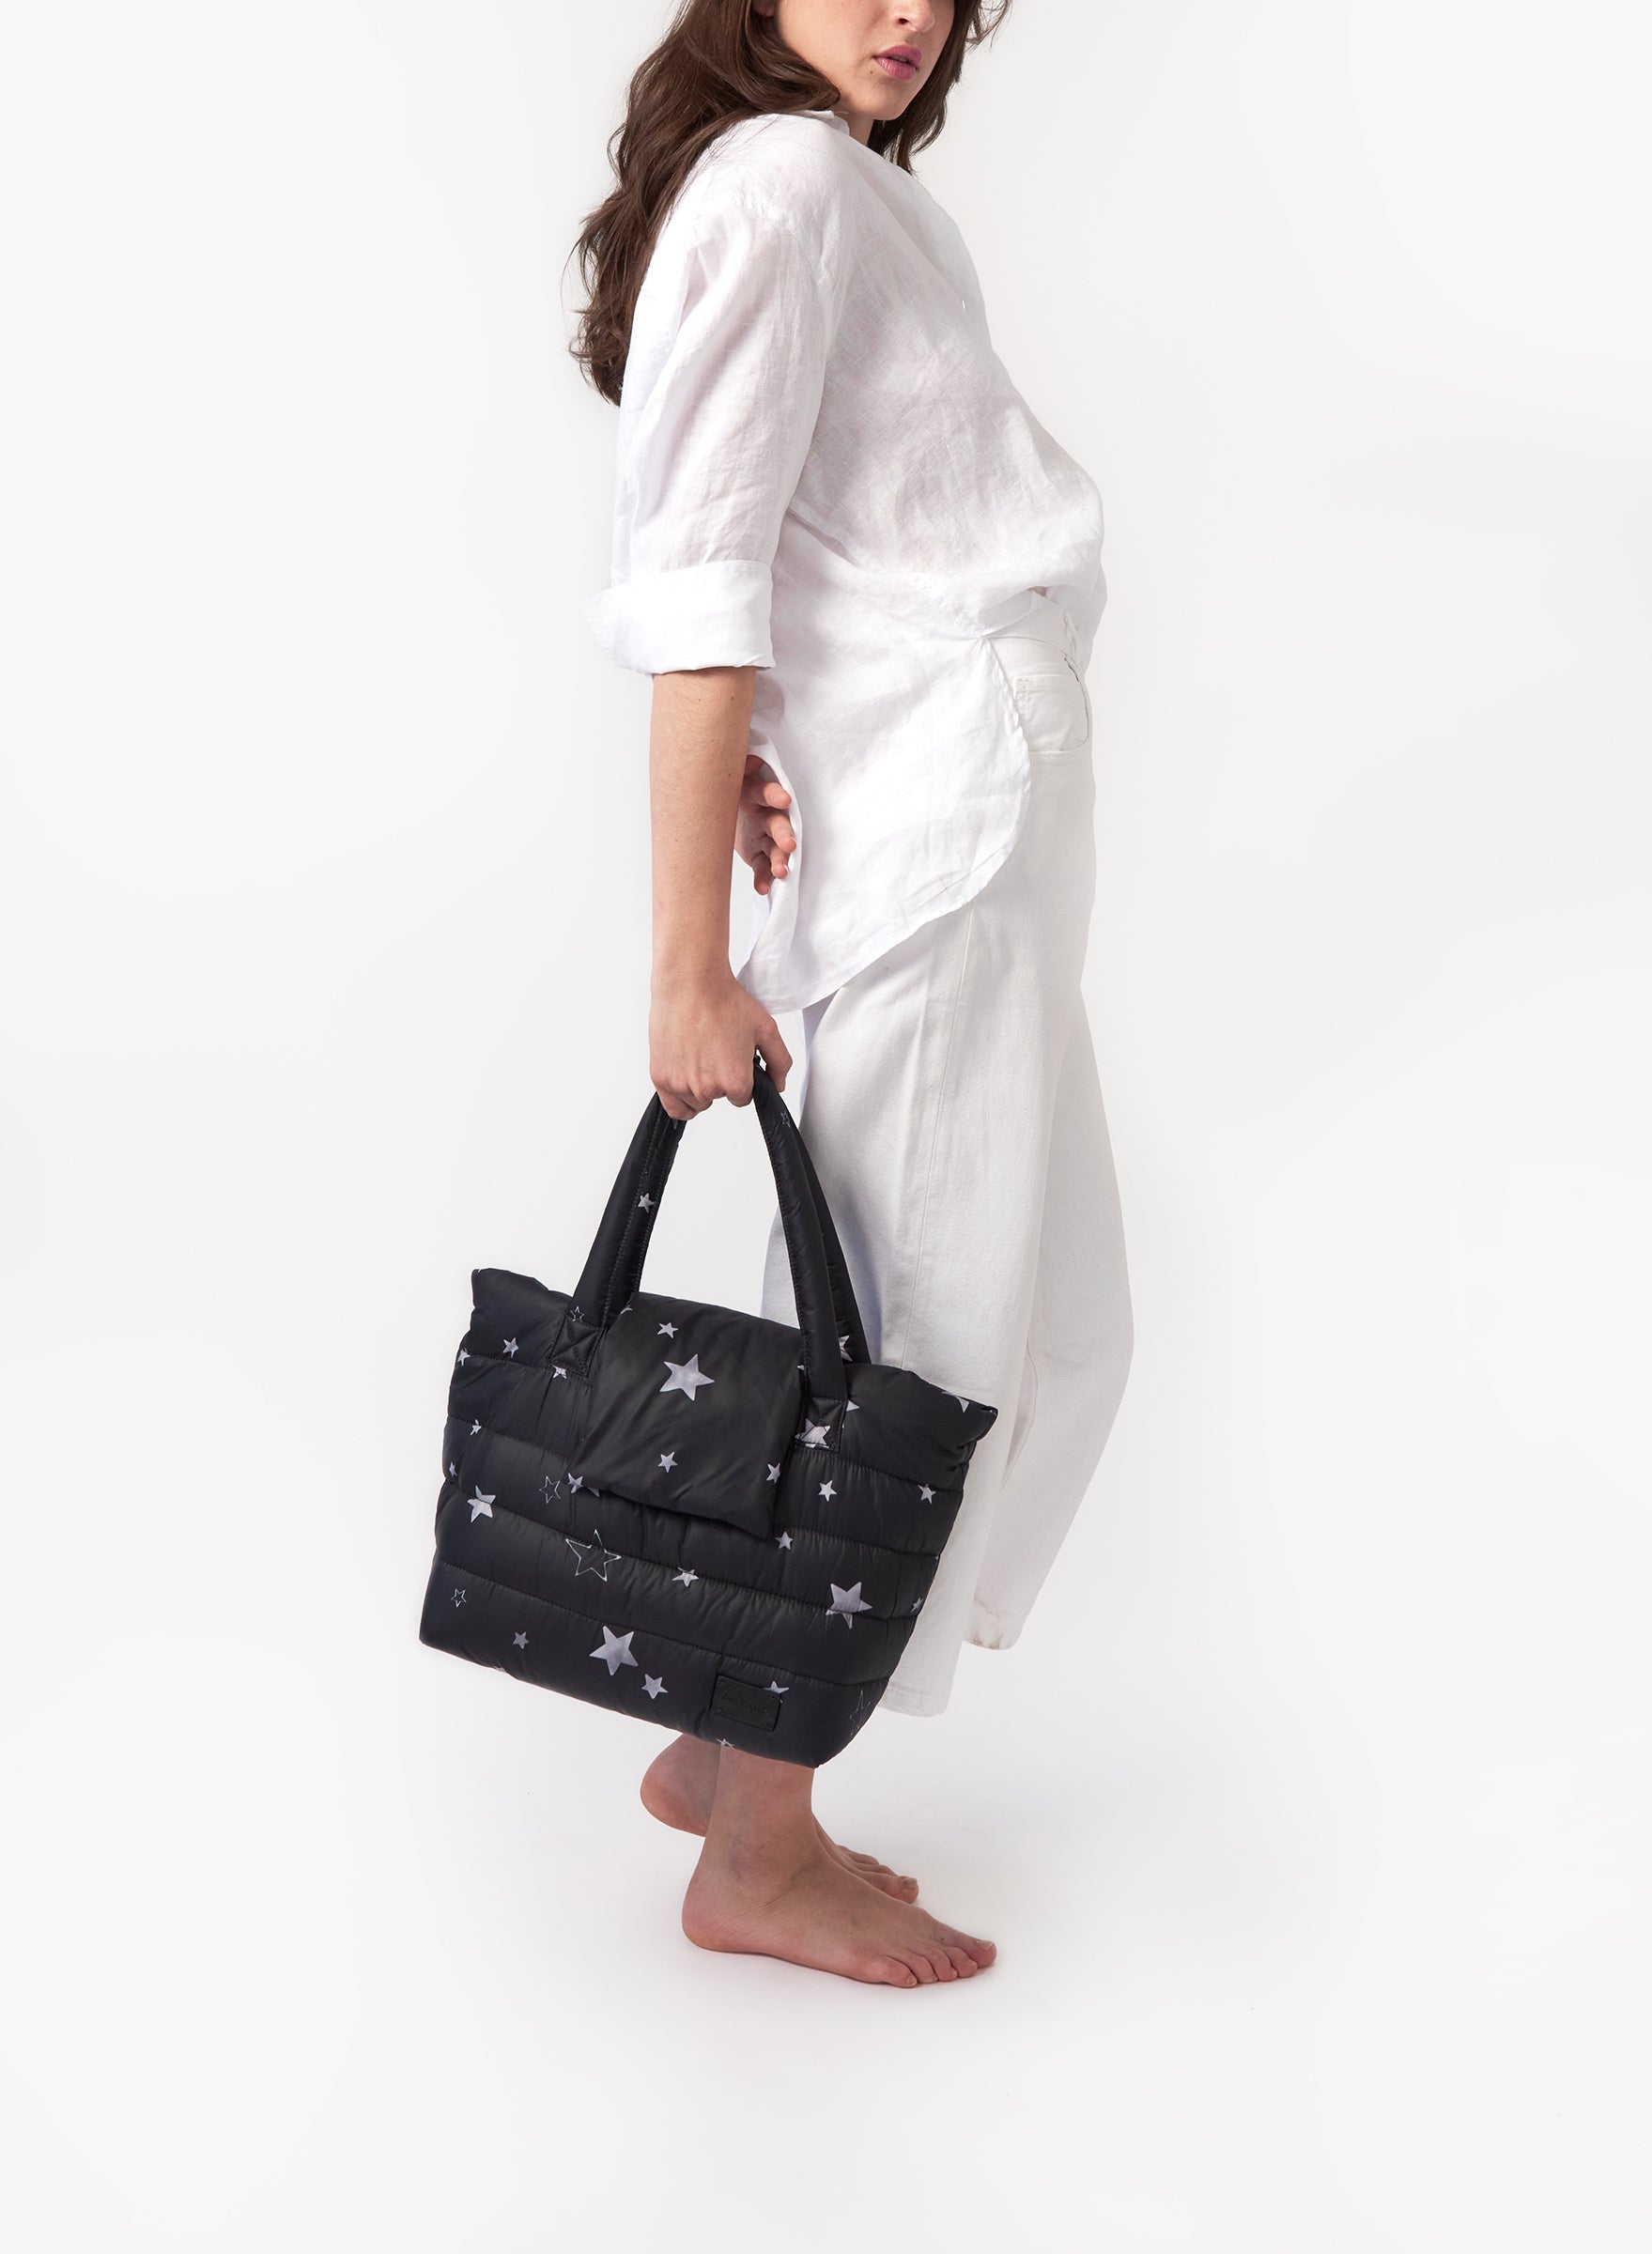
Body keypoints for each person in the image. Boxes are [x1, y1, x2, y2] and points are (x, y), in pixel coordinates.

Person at [573, 0, 1133, 1986]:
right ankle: (761, 1842)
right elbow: (699, 584)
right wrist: (684, 963)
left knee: (1045, 1322)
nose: (913, 10)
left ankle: (720, 1739)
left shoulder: (844, 192)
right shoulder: (787, 183)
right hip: (936, 843)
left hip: (966, 816)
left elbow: (804, 542)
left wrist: (769, 740)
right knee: (908, 1354)